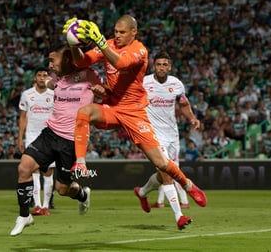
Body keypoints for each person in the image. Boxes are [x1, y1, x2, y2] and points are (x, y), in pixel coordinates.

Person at [62, 15, 207, 213]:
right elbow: (82, 62)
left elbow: (121, 63)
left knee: (161, 162)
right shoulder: (109, 44)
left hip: (134, 112)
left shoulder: (139, 50)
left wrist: (102, 42)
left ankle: (188, 185)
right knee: (84, 112)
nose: (118, 35)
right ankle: (80, 163)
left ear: (133, 32)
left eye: (122, 32)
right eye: (115, 32)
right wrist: (72, 44)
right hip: (113, 107)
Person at [10, 43, 105, 236]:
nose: (49, 65)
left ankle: (82, 194)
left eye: (53, 61)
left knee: (62, 189)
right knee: (24, 167)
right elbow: (50, 83)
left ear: (67, 60)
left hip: (72, 141)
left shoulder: (89, 76)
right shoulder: (57, 78)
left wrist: (103, 93)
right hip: (50, 133)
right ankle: (24, 215)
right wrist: (45, 83)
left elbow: (109, 94)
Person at [132, 50, 200, 230]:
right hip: (152, 134)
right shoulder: (144, 82)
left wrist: (191, 118)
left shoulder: (176, 84)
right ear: (154, 66)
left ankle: (143, 191)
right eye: (159, 64)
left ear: (169, 66)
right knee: (168, 175)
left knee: (168, 174)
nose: (162, 68)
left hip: (172, 135)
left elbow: (183, 103)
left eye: (165, 65)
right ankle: (179, 217)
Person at [17, 67, 55, 216]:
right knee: (33, 170)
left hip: (49, 137)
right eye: (39, 75)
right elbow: (22, 117)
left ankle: (46, 206)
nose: (41, 78)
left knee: (48, 171)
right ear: (34, 78)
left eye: (45, 75)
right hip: (32, 136)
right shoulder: (27, 94)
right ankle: (37, 205)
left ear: (49, 78)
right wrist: (20, 137)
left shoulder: (54, 94)